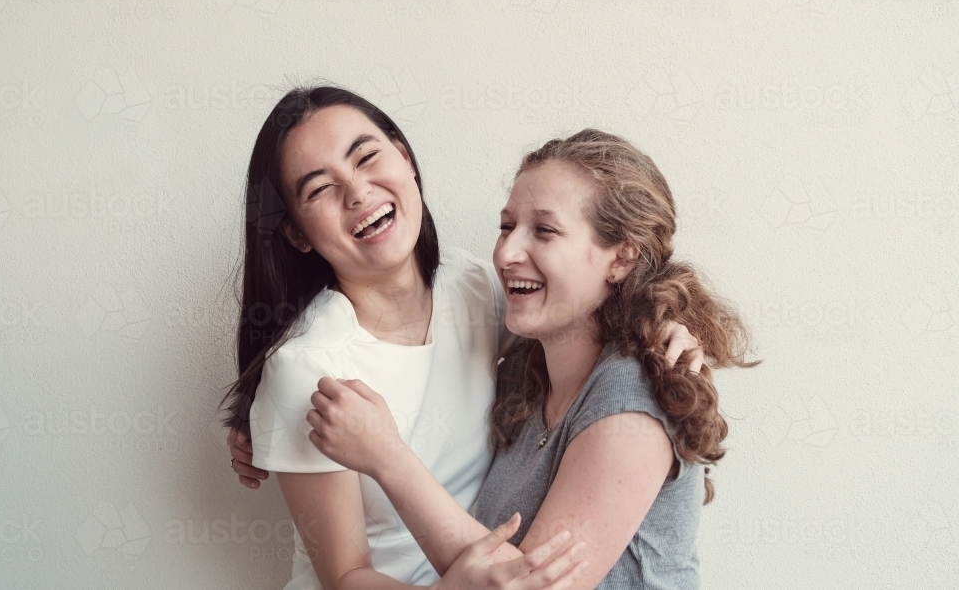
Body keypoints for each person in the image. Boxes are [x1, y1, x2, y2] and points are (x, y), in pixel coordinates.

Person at [222, 88, 703, 590]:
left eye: (366, 157)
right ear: (297, 233)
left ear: (404, 159)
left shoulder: (472, 286)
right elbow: (344, 576)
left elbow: (579, 324)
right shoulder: (310, 365)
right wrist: (271, 413)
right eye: (319, 189)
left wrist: (661, 326)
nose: (358, 192)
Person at [304, 129, 758, 589]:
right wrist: (266, 423)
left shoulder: (632, 392)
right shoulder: (524, 373)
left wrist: (387, 458)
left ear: (620, 260)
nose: (505, 252)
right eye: (506, 227)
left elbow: (530, 586)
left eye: (544, 230)